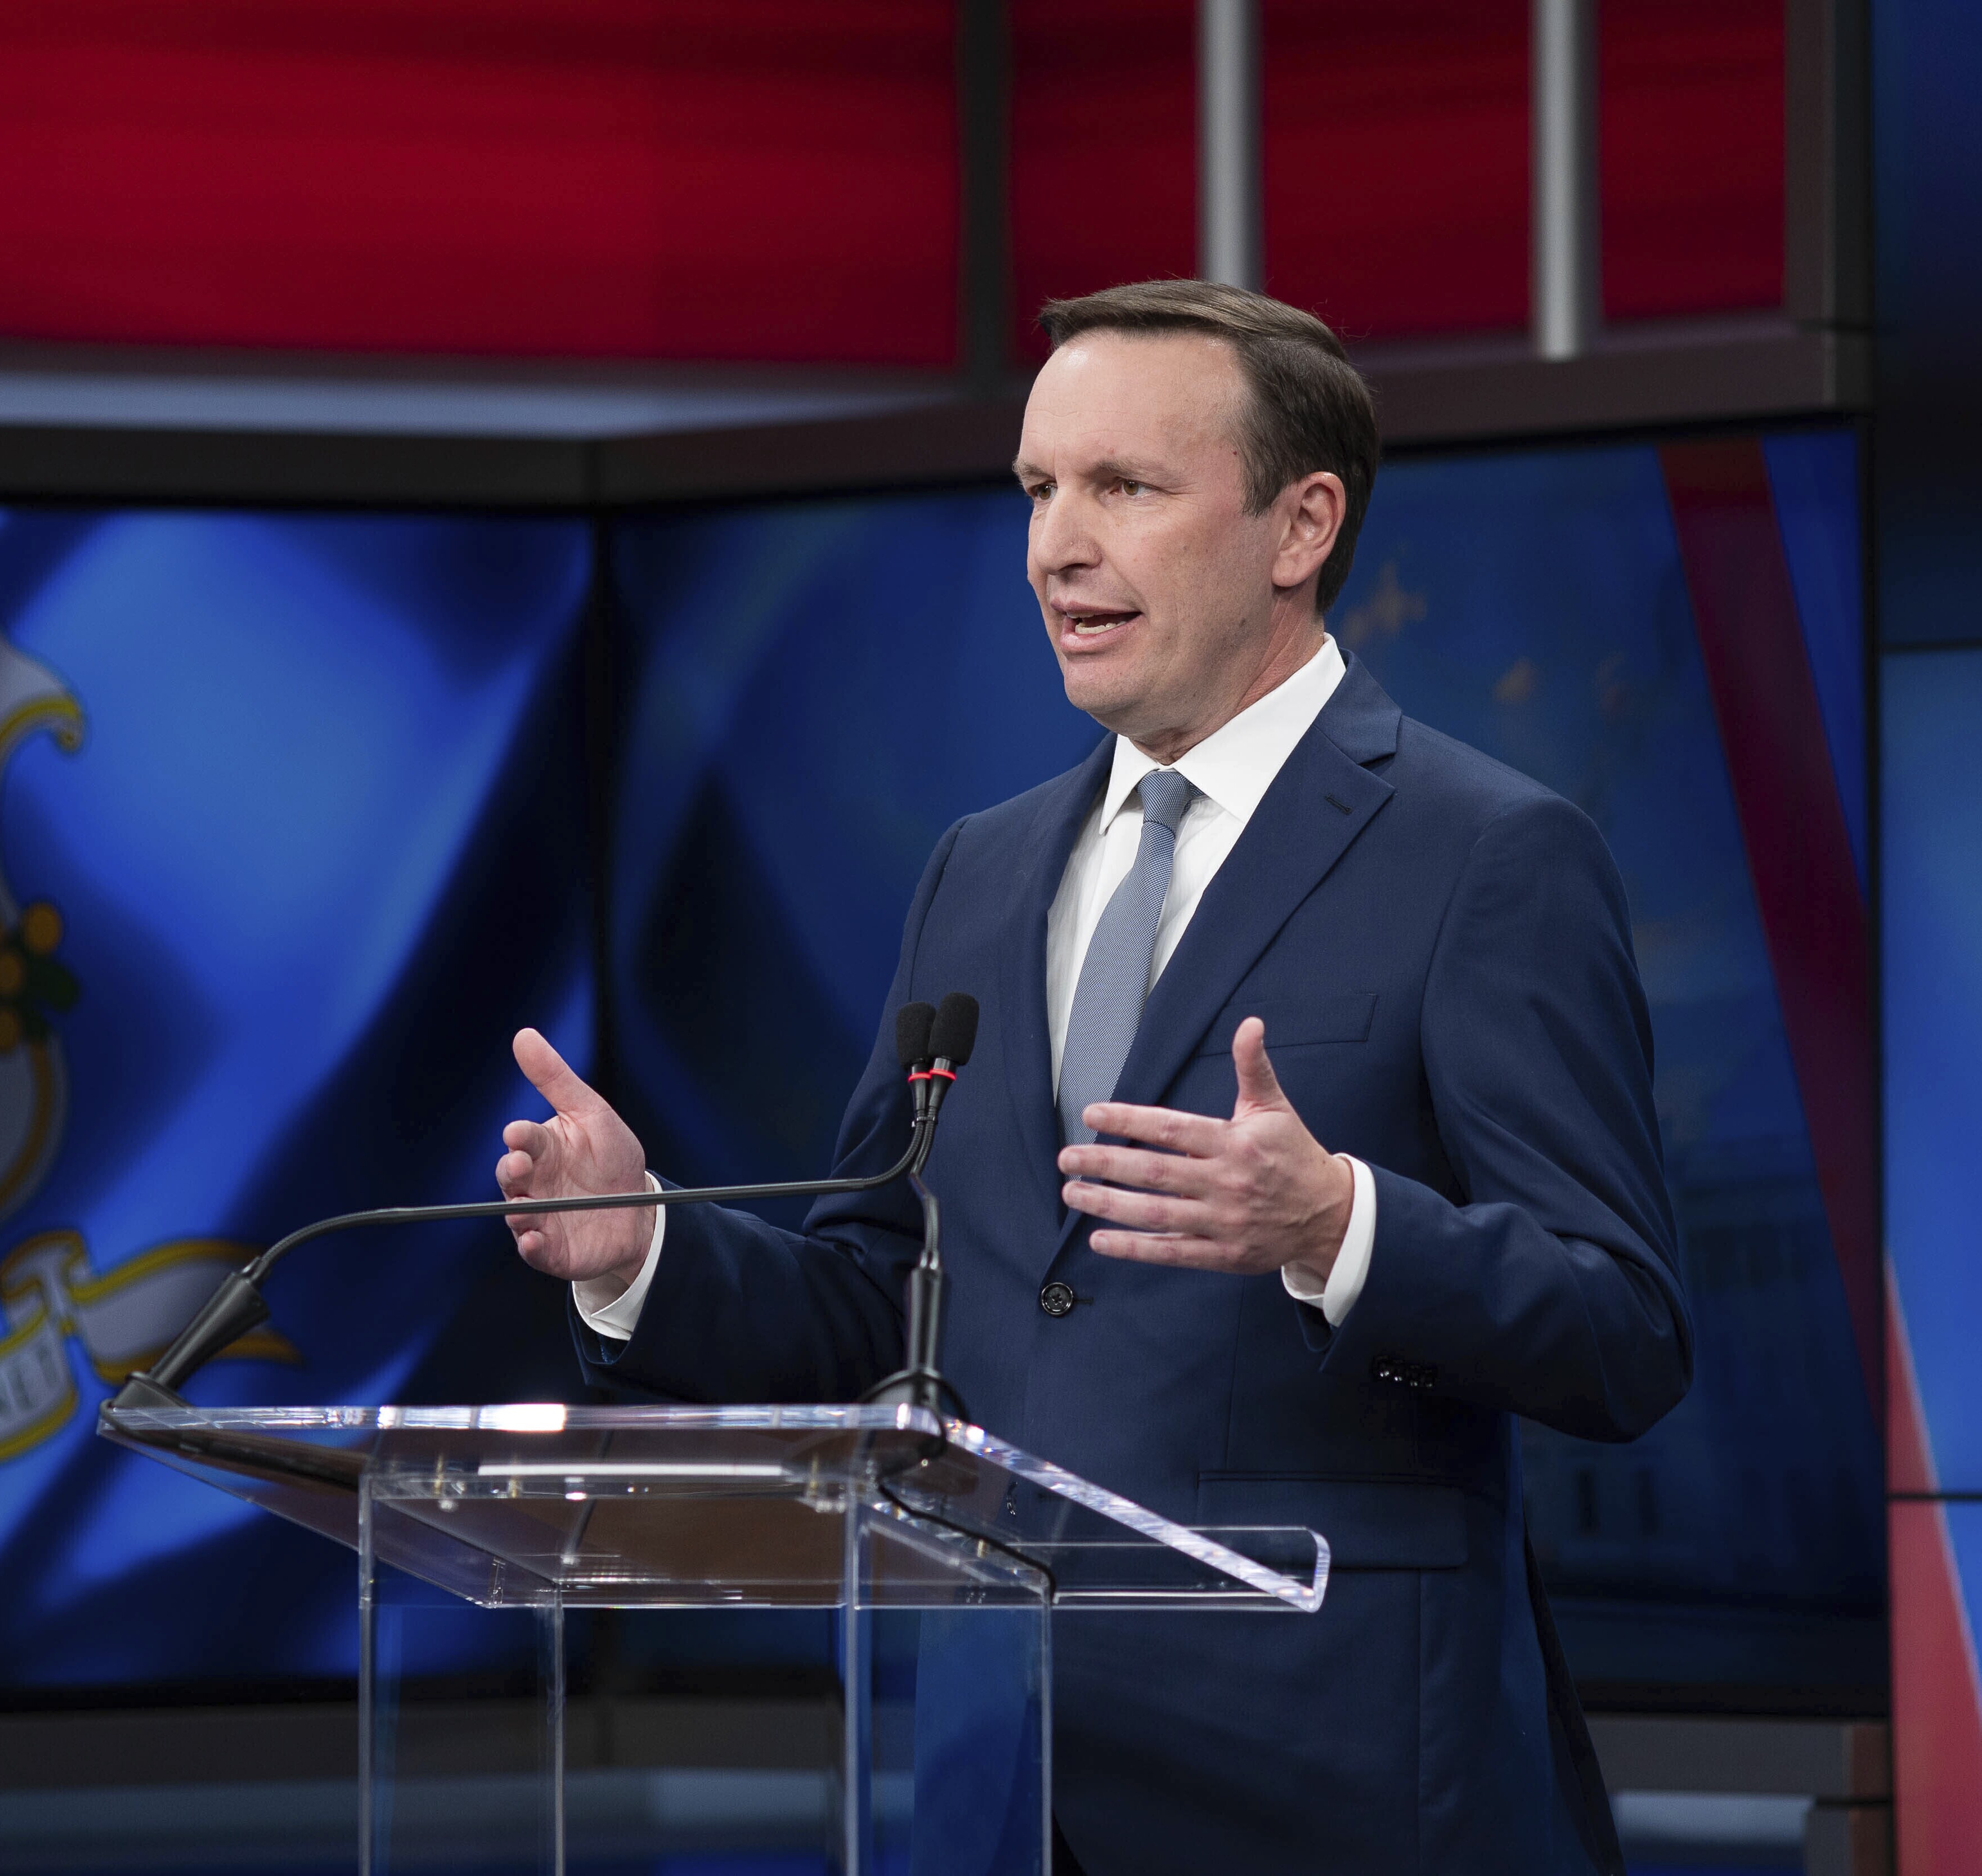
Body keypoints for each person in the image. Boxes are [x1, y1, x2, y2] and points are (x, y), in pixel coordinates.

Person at [492, 279, 1690, 1875]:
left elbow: (1623, 1330)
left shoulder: (1486, 856)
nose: (1058, 545)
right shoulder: (977, 877)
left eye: (1122, 487)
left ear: (1298, 523)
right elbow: (885, 1303)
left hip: (1335, 1786)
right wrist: (645, 1251)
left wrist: (1340, 1226)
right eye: (1039, 491)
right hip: (1004, 1782)